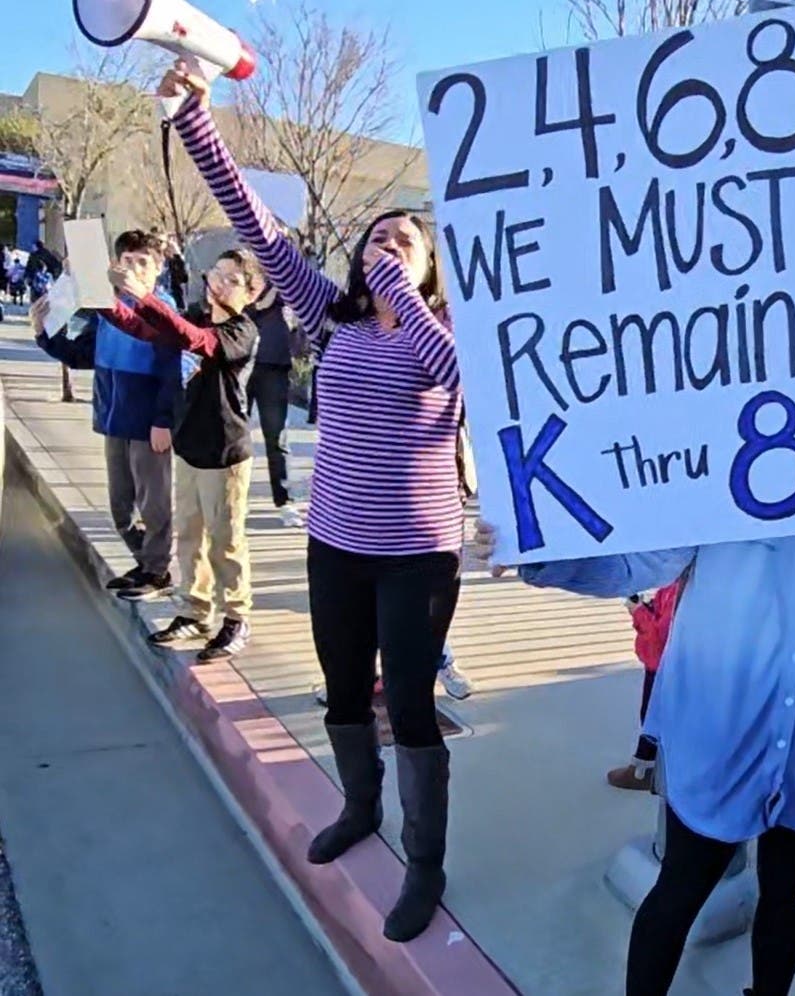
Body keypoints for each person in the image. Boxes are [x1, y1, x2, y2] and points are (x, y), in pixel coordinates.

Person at [473, 299, 795, 996]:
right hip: (717, 730)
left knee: (788, 900)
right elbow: (638, 565)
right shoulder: (721, 470)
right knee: (680, 889)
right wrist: (538, 551)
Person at [162, 62, 462, 943]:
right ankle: (359, 809)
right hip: (337, 542)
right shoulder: (327, 314)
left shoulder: (446, 333)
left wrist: (402, 295)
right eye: (380, 235)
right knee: (340, 689)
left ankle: (427, 861)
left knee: (405, 703)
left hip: (417, 553)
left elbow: (460, 382)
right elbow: (255, 222)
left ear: (428, 265)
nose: (390, 242)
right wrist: (194, 119)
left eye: (407, 238)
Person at [105, 248, 261, 662]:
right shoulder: (196, 313)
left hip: (225, 453)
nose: (220, 283)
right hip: (190, 447)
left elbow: (196, 342)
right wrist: (105, 302)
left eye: (232, 279)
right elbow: (148, 331)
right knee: (190, 536)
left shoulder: (241, 331)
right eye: (218, 273)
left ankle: (236, 617)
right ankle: (195, 610)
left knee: (225, 542)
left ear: (252, 291)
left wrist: (145, 295)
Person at [31, 230, 180, 600]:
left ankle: (158, 571)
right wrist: (43, 335)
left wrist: (163, 420)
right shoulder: (107, 307)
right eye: (126, 261)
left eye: (142, 262)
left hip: (148, 424)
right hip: (114, 418)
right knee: (120, 508)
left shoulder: (164, 311)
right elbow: (83, 356)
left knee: (154, 503)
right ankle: (145, 563)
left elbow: (174, 372)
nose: (132, 268)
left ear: (158, 268)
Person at [607, 581, 681, 792]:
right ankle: (650, 766)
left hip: (661, 668)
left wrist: (639, 611)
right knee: (659, 716)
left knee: (652, 717)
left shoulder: (679, 589)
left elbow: (659, 642)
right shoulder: (680, 584)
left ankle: (644, 769)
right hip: (671, 666)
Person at [246, 269, 304, 527]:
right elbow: (255, 304)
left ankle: (285, 499)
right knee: (235, 434)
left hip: (275, 363)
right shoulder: (244, 272)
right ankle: (235, 497)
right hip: (243, 360)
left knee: (277, 436)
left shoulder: (285, 277)